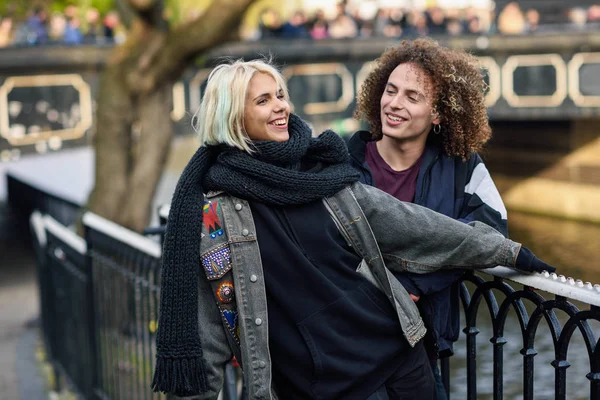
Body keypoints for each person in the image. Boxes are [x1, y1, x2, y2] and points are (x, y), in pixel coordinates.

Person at [151, 59, 555, 400]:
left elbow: (410, 225)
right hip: (320, 388)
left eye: (280, 95)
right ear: (232, 115)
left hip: (398, 358)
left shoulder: (320, 171)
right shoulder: (209, 217)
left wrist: (504, 251)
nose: (281, 107)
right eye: (263, 100)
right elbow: (206, 340)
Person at [350, 38, 508, 400]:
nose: (394, 103)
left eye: (412, 96)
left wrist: (416, 284)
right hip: (349, 346)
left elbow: (491, 234)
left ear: (437, 114)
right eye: (390, 91)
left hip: (421, 342)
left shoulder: (463, 167)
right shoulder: (345, 160)